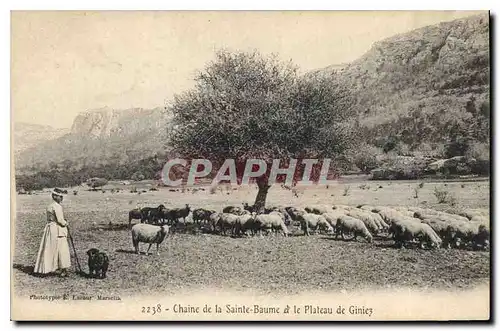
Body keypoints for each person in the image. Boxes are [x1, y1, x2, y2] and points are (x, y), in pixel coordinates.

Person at [34, 188, 71, 277]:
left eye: (62, 197)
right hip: (57, 230)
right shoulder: (57, 207)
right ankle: (63, 269)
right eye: (60, 197)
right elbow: (60, 220)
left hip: (50, 229)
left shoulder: (50, 206)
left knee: (49, 248)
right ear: (54, 196)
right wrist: (66, 223)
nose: (61, 199)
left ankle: (47, 268)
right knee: (62, 249)